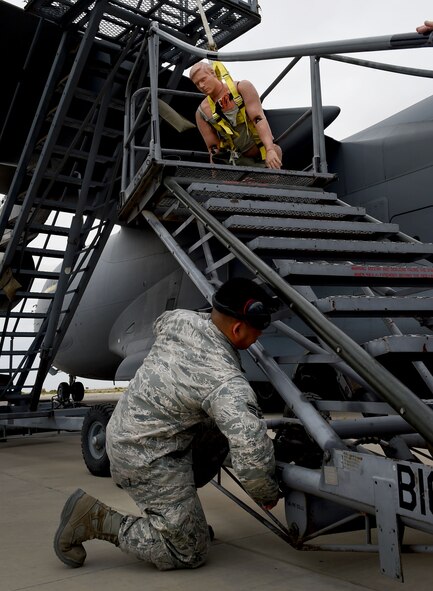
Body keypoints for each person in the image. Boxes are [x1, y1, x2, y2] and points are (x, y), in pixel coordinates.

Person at [54, 277, 280, 571]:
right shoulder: (222, 379)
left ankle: (182, 521)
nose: (257, 339)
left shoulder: (185, 322)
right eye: (255, 333)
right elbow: (250, 451)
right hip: (143, 453)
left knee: (225, 425)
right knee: (188, 551)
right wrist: (267, 492)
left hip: (148, 434)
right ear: (237, 329)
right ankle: (94, 518)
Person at [190, 61, 282, 169]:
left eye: (203, 79)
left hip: (264, 153)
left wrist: (270, 149)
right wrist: (214, 174)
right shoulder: (202, 112)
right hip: (238, 162)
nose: (201, 85)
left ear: (213, 73)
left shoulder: (241, 88)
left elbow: (258, 118)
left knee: (271, 177)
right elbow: (213, 149)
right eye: (197, 83)